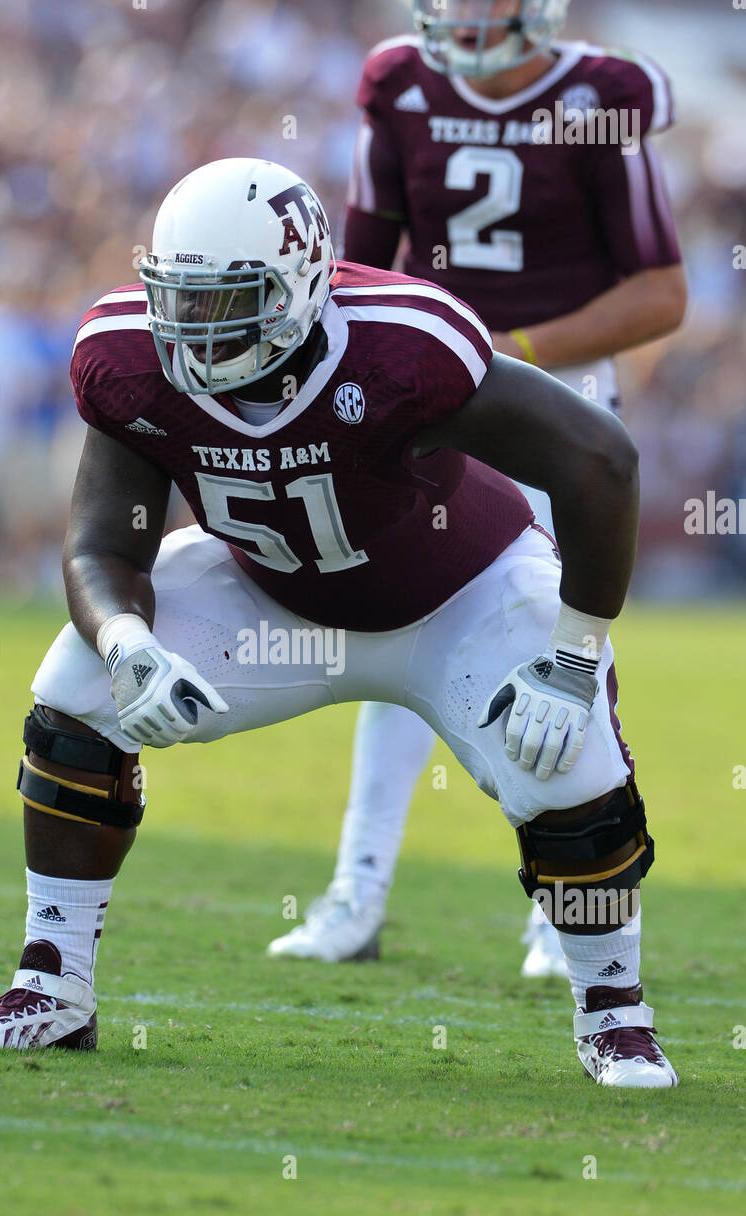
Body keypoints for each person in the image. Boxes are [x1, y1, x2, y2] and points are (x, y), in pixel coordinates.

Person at [0, 156, 677, 1087]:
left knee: (564, 761)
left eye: (228, 301)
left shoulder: (402, 340)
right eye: (182, 298)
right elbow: (101, 551)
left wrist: (577, 653)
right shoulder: (127, 355)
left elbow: (600, 458)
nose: (195, 329)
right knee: (77, 688)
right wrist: (129, 647)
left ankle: (615, 1013)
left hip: (461, 595)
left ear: (299, 286)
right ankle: (53, 987)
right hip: (273, 597)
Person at [268, 0, 686, 971]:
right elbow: (357, 269)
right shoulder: (399, 86)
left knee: (554, 644)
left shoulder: (599, 96)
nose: (458, 15)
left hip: (554, 405)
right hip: (430, 400)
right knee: (395, 623)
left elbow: (660, 291)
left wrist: (503, 354)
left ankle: (562, 900)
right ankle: (356, 892)